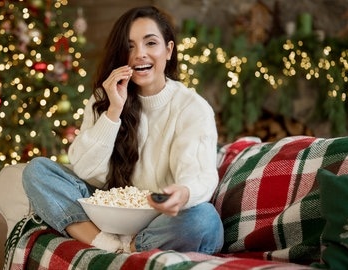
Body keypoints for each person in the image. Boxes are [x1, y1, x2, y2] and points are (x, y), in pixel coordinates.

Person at [22, 5, 224, 254]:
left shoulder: (192, 108)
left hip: (156, 217)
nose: (140, 54)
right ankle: (104, 243)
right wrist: (113, 112)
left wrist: (183, 193)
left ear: (168, 50)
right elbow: (85, 169)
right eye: (130, 46)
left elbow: (199, 175)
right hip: (106, 213)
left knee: (205, 220)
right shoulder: (103, 98)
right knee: (36, 171)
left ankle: (132, 247)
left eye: (151, 43)